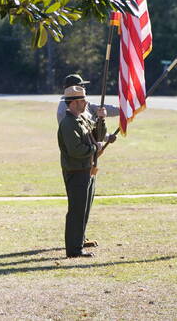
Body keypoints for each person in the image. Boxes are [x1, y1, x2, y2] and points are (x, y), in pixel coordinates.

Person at [57, 85, 114, 258]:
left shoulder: (81, 119)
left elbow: (96, 135)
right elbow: (75, 150)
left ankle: (79, 242)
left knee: (84, 209)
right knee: (77, 210)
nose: (86, 102)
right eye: (82, 100)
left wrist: (101, 120)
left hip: (86, 169)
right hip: (76, 171)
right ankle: (74, 249)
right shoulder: (68, 123)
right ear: (73, 103)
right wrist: (94, 149)